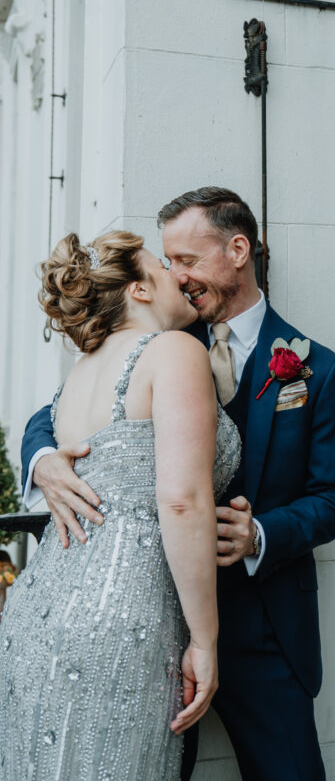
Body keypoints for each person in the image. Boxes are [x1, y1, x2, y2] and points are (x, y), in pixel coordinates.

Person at [21, 189, 335, 781]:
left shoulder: (315, 368)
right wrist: (43, 457)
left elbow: (334, 497)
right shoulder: (161, 339)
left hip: (263, 627)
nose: (178, 275)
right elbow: (55, 414)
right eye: (168, 262)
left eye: (187, 259)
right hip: (146, 620)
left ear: (237, 249)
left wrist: (258, 534)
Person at [3, 230, 241, 780]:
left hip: (40, 609)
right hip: (120, 618)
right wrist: (204, 641)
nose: (178, 275)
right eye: (163, 266)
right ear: (137, 290)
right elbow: (182, 501)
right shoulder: (174, 352)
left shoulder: (78, 374)